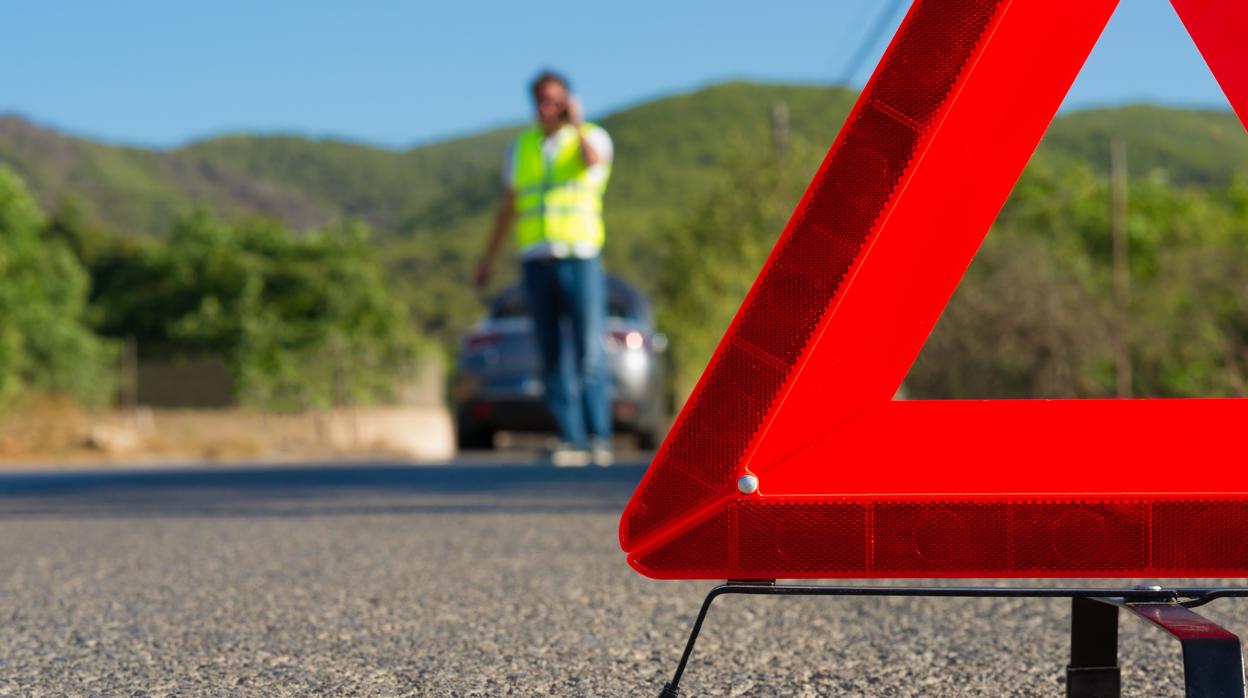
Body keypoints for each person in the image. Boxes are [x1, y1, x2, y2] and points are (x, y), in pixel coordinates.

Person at [475, 70, 615, 467]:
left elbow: (593, 162)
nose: (547, 107)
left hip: (580, 255)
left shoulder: (592, 136)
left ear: (568, 100)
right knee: (551, 354)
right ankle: (569, 438)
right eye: (541, 100)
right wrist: (487, 259)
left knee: (589, 349)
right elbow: (508, 207)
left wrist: (577, 123)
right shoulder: (522, 147)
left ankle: (598, 438)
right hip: (536, 259)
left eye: (555, 99)